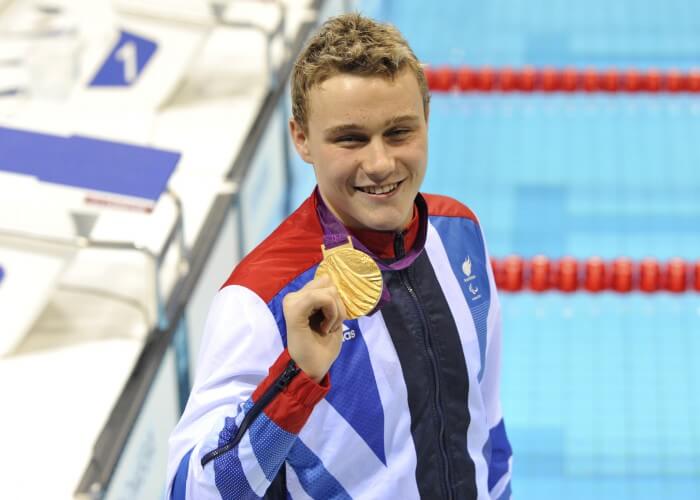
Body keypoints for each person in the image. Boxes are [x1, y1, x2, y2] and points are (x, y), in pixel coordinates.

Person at [166, 12, 512, 500]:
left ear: (426, 121)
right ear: (301, 139)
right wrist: (296, 377)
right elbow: (192, 492)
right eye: (350, 139)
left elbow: (487, 424)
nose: (380, 164)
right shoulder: (262, 296)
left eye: (399, 132)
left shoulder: (457, 235)